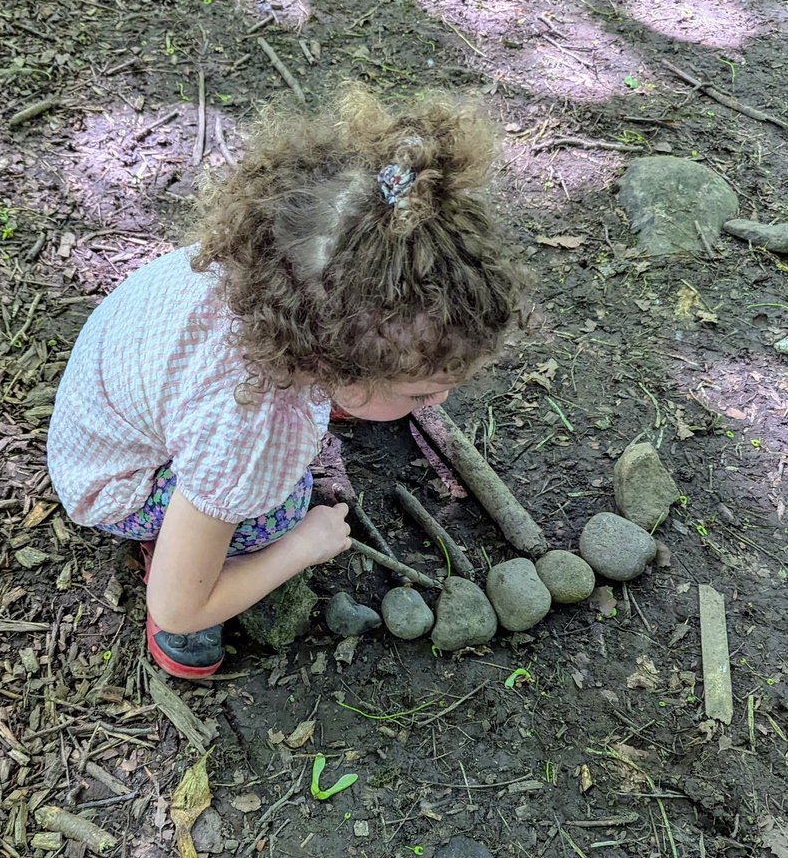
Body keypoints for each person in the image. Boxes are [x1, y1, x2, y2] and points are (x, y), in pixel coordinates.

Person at [47, 84, 525, 679]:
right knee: (287, 506)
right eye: (418, 392)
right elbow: (176, 607)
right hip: (114, 482)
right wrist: (305, 546)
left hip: (114, 403)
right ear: (335, 365)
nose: (440, 399)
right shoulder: (252, 430)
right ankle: (180, 550)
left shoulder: (275, 267)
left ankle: (200, 530)